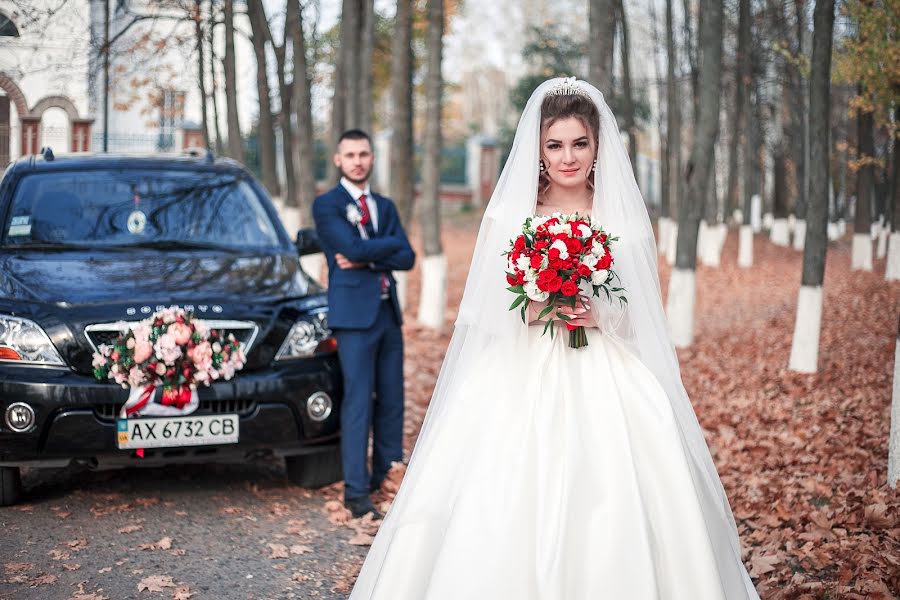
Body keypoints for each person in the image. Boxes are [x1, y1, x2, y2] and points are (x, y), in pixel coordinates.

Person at [348, 79, 760, 599]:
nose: (568, 158)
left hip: (604, 370)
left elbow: (642, 318)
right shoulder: (512, 215)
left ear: (596, 146)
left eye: (579, 144)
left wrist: (598, 315)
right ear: (539, 151)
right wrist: (536, 303)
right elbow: (484, 310)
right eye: (555, 145)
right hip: (521, 367)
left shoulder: (622, 219)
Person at [312, 129, 415, 520]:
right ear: (338, 159)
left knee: (391, 401)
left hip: (388, 314)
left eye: (364, 154)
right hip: (353, 318)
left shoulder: (385, 207)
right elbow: (350, 247)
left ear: (372, 158)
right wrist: (380, 249)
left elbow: (408, 257)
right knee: (358, 401)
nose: (358, 160)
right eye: (350, 154)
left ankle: (386, 477)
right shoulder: (327, 205)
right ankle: (356, 492)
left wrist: (367, 258)